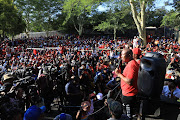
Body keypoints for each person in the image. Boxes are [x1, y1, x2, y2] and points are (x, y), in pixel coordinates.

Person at [115, 48, 139, 119]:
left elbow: (129, 81)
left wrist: (119, 74)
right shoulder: (130, 63)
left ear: (129, 55)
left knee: (128, 116)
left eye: (122, 55)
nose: (121, 57)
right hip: (127, 92)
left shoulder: (131, 65)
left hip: (129, 94)